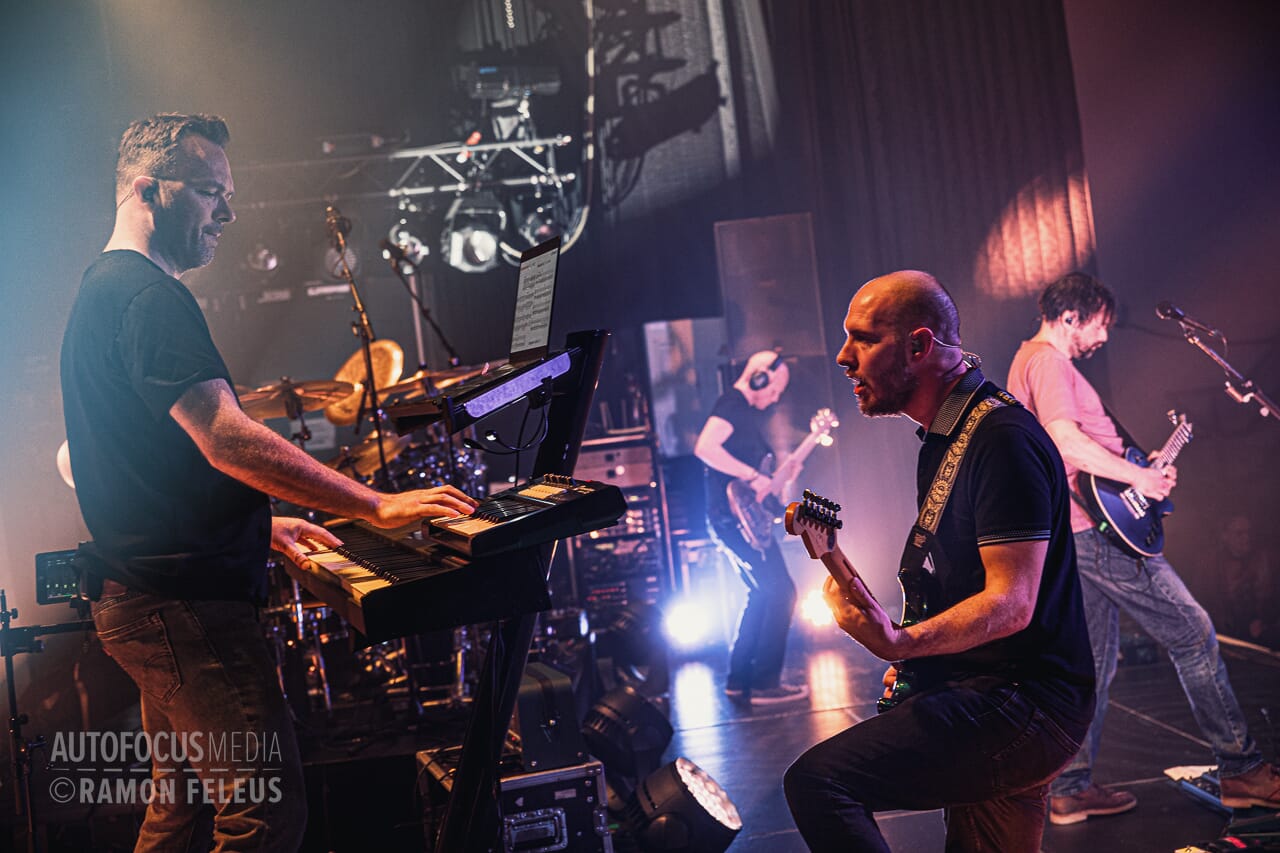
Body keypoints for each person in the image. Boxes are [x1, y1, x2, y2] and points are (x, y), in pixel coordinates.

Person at [60, 113, 478, 851]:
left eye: (227, 193)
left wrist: (259, 524)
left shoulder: (104, 291)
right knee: (265, 814)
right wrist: (376, 502)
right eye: (207, 192)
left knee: (179, 812)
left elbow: (123, 457)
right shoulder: (147, 296)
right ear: (144, 189)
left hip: (146, 599)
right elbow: (224, 436)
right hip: (183, 607)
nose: (226, 212)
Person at [784, 270, 1095, 852]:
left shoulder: (1000, 438)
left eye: (864, 339)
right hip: (995, 691)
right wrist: (925, 664)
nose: (843, 357)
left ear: (920, 346)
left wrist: (902, 644)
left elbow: (1012, 603)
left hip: (1023, 704)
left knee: (820, 783)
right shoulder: (947, 437)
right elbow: (966, 589)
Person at [1006, 271, 1280, 824]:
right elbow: (1064, 441)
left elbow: (1079, 447)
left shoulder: (1028, 361)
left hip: (1076, 532)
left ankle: (1070, 786)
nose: (1104, 337)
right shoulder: (1050, 362)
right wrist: (1145, 483)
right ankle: (1242, 770)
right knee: (1193, 631)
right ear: (1071, 318)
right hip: (1095, 533)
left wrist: (1137, 469)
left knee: (1094, 665)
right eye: (1100, 325)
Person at [694, 350, 808, 704]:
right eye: (775, 388)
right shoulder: (732, 405)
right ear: (759, 376)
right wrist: (753, 474)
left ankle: (739, 680)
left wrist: (781, 479)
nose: (775, 397)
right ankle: (763, 684)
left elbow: (761, 492)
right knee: (781, 592)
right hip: (732, 521)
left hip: (740, 521)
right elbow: (704, 448)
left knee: (761, 594)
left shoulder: (742, 414)